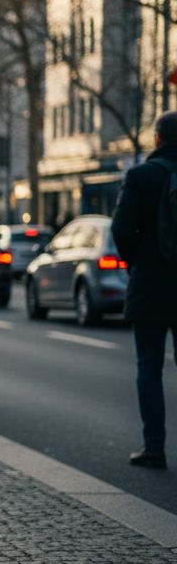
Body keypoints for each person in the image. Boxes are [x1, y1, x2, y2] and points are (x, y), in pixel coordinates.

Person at [111, 111, 177, 469]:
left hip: (150, 282)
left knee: (149, 365)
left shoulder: (140, 177)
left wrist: (136, 261)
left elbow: (120, 229)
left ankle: (154, 447)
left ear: (157, 139)